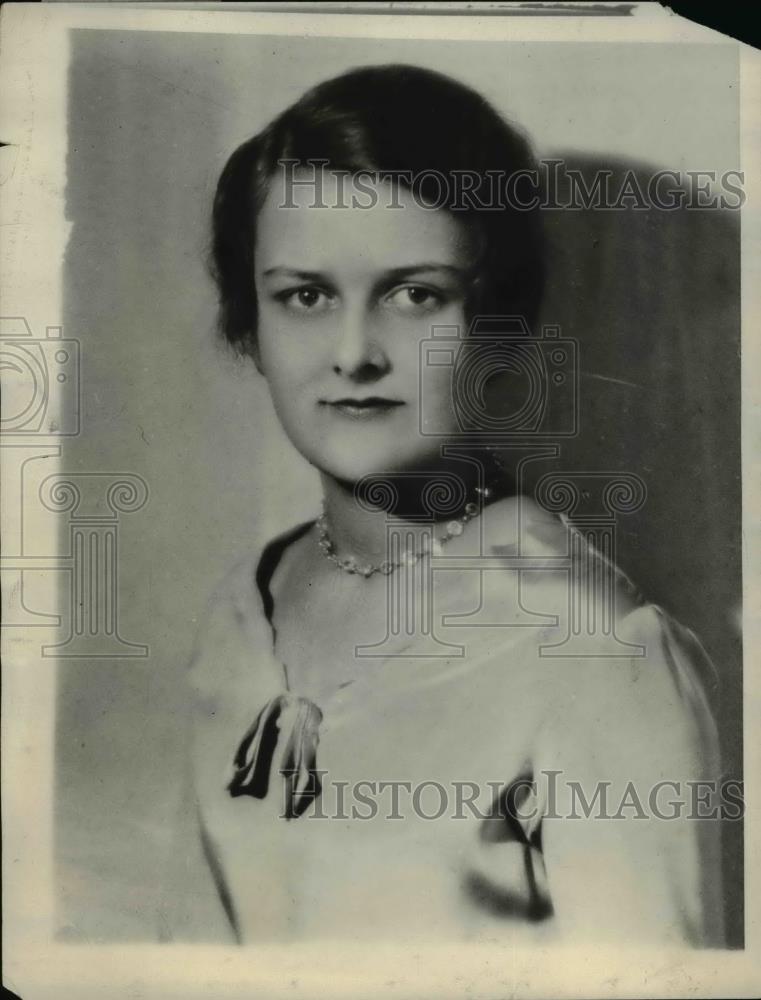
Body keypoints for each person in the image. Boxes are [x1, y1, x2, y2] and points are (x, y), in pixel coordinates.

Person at [159, 64, 726, 947]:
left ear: (498, 323)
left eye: (414, 294)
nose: (352, 353)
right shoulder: (245, 602)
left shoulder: (590, 647)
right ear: (250, 325)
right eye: (304, 296)